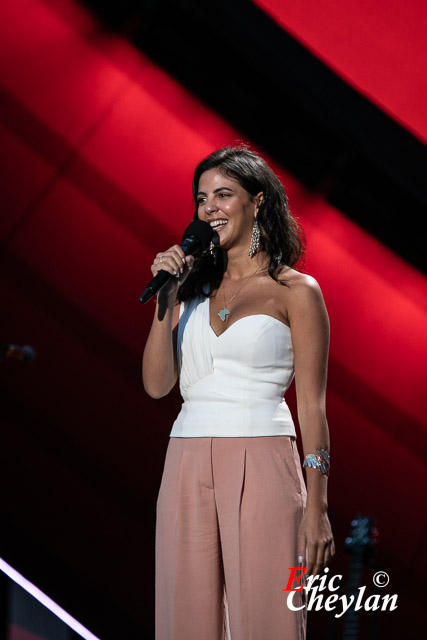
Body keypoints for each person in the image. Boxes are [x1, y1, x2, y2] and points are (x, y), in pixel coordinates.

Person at [142, 146, 334, 640]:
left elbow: (312, 407)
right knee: (184, 618)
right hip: (185, 458)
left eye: (223, 195)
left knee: (267, 618)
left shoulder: (297, 291)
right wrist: (166, 299)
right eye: (201, 198)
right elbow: (158, 385)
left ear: (258, 201)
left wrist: (317, 508)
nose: (209, 208)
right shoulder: (189, 290)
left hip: (263, 456)